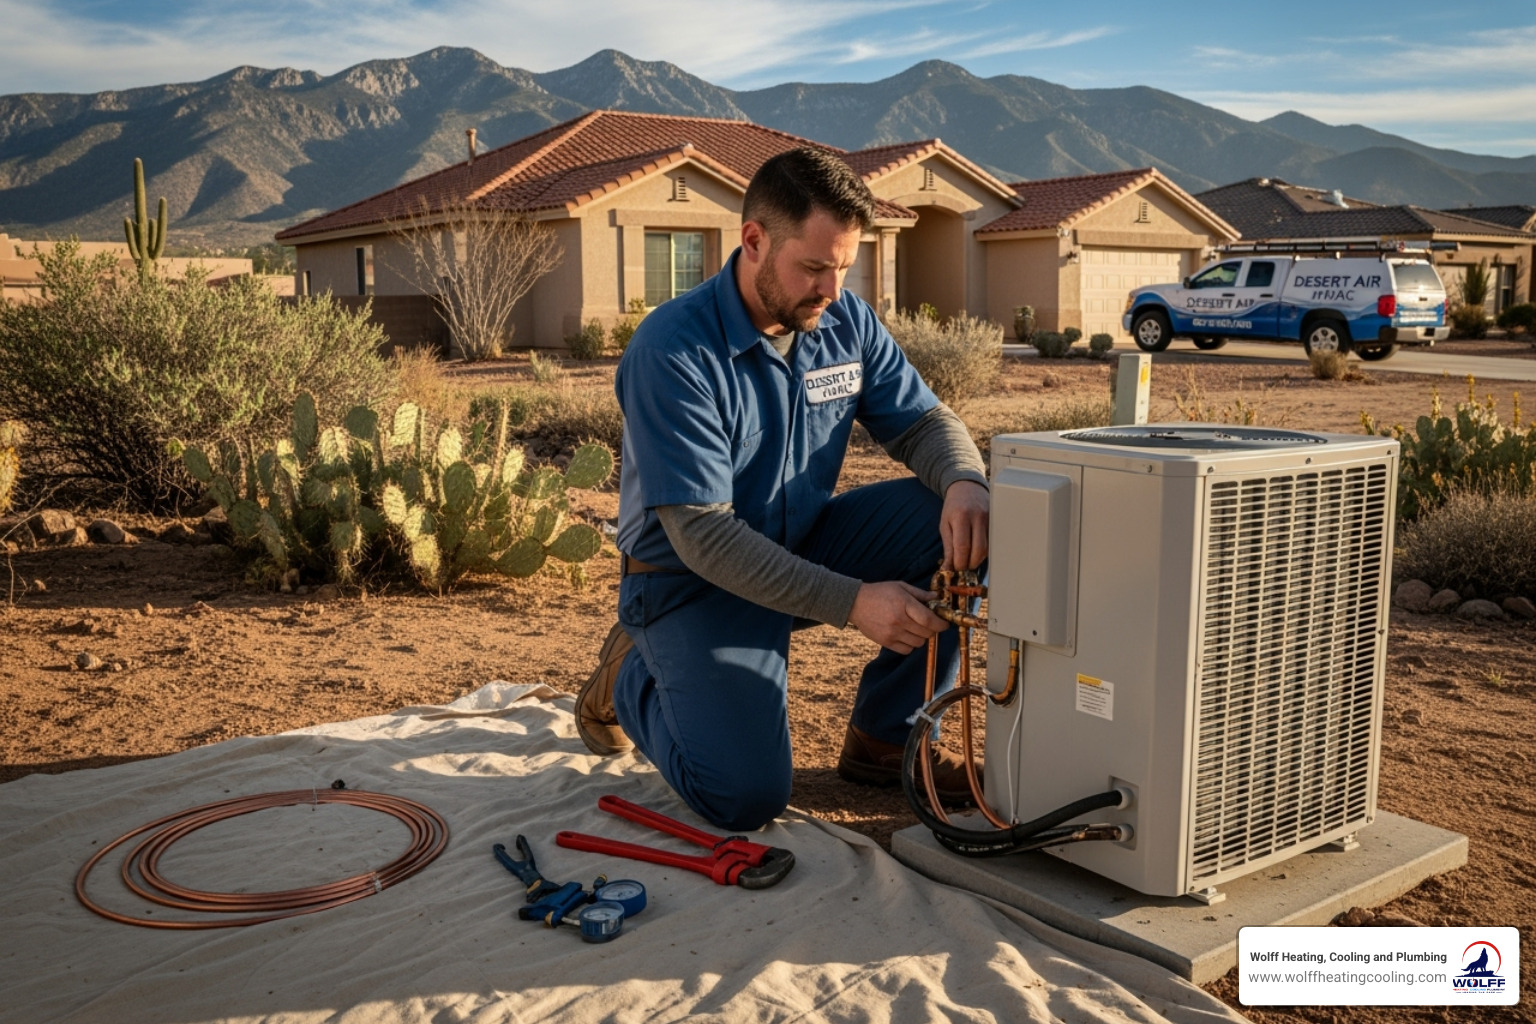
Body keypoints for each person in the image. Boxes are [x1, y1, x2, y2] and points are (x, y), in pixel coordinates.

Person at [578, 147, 989, 831]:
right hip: (690, 583)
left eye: (843, 268)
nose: (831, 289)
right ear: (753, 241)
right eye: (814, 267)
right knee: (744, 797)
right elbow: (705, 535)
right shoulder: (673, 351)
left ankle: (888, 740)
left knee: (961, 523)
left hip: (801, 542)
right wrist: (853, 602)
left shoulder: (844, 322)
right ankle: (632, 679)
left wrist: (967, 480)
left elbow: (922, 422)